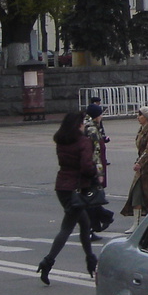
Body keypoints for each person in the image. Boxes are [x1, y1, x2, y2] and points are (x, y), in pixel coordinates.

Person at [37, 112, 99, 284]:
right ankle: (47, 262)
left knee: (85, 224)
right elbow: (86, 167)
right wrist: (95, 172)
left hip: (62, 187)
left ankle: (90, 259)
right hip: (76, 190)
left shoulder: (62, 141)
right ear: (77, 125)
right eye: (82, 123)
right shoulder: (83, 142)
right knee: (67, 227)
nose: (84, 126)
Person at [83, 102, 112, 239]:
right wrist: (99, 173)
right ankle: (103, 219)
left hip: (88, 168)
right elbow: (96, 153)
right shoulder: (92, 130)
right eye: (100, 114)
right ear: (96, 116)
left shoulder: (88, 126)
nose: (101, 117)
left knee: (90, 199)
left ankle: (96, 224)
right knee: (91, 199)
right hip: (92, 168)